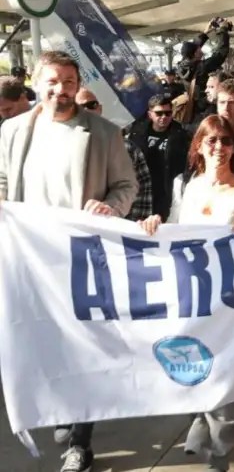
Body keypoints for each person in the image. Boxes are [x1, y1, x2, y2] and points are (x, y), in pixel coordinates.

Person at [0, 51, 138, 472]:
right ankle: (61, 411)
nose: (61, 90)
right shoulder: (12, 130)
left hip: (81, 260)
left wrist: (111, 209)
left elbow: (126, 185)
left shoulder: (102, 133)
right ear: (36, 83)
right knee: (41, 344)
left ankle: (80, 441)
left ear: (78, 84)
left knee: (83, 352)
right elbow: (3, 179)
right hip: (30, 260)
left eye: (68, 81)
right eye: (53, 81)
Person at [138, 115, 234, 472]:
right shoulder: (187, 186)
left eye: (226, 142)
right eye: (211, 141)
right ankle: (199, 420)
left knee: (225, 374)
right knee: (194, 364)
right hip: (191, 293)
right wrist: (153, 225)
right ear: (199, 147)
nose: (219, 148)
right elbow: (174, 230)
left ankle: (221, 452)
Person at [74, 88, 153, 222]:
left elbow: (141, 191)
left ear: (99, 108)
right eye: (81, 107)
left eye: (91, 105)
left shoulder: (127, 148)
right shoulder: (59, 145)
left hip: (116, 230)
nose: (87, 110)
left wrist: (135, 229)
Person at [128, 94, 192, 221]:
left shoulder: (181, 135)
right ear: (150, 114)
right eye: (159, 113)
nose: (164, 117)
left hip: (167, 190)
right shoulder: (137, 133)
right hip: (142, 189)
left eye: (168, 113)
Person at [175, 19, 231, 122]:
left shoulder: (181, 67)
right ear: (195, 54)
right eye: (199, 50)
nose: (201, 51)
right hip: (206, 108)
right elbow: (221, 53)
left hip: (191, 110)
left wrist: (205, 34)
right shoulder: (202, 68)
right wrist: (223, 30)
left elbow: (190, 49)